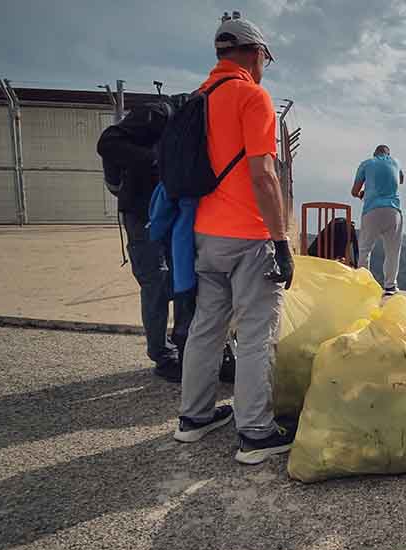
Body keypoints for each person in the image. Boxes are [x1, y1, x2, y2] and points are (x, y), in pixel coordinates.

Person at [173, 12, 296, 466]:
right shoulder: (252, 96)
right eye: (266, 56)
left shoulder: (199, 98)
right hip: (248, 236)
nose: (265, 65)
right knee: (256, 333)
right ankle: (256, 432)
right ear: (253, 53)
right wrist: (280, 241)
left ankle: (195, 415)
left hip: (206, 233)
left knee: (207, 327)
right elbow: (263, 175)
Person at [97, 101, 184, 383]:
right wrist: (156, 161)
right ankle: (162, 355)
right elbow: (108, 142)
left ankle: (183, 346)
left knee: (183, 279)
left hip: (173, 213)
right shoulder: (160, 113)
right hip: (142, 211)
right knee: (156, 282)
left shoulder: (198, 124)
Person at [352, 144, 404, 296]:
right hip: (393, 211)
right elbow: (401, 180)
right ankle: (390, 286)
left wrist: (362, 194)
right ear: (388, 154)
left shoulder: (367, 163)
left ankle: (363, 286)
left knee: (365, 249)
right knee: (393, 250)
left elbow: (354, 191)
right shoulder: (395, 162)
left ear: (375, 154)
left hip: (372, 210)